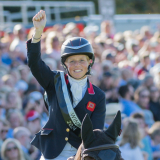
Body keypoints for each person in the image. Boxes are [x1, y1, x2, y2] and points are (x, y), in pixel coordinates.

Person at [26, 10, 106, 160]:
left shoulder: (99, 96)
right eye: (72, 61)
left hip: (81, 154)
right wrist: (38, 32)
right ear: (64, 64)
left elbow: (95, 132)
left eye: (82, 60)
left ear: (90, 62)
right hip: (52, 153)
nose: (77, 65)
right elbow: (35, 64)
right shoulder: (54, 80)